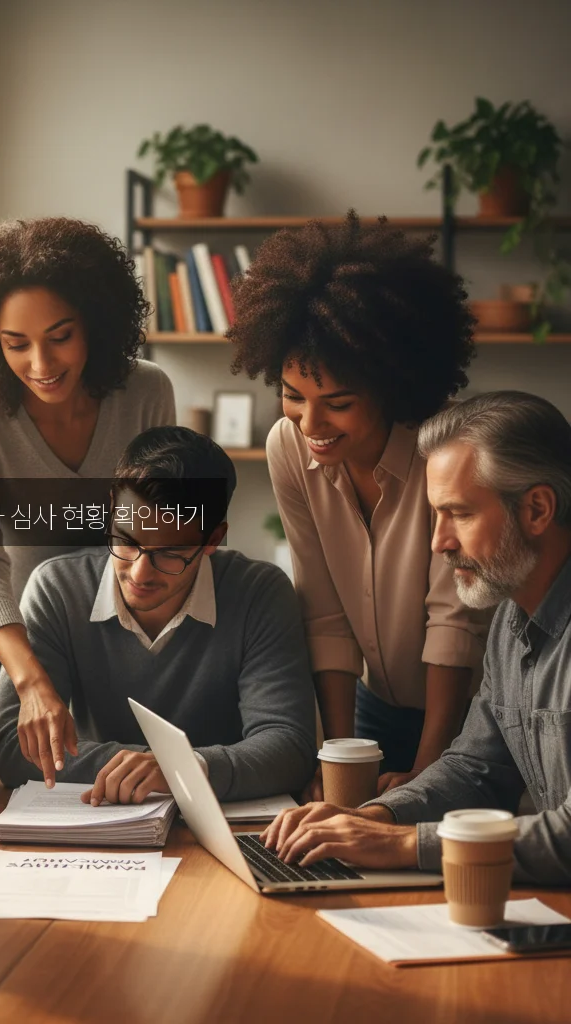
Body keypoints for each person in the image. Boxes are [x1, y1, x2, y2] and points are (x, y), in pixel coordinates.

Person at [230, 211, 491, 798]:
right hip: (374, 709)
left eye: (338, 402)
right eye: (293, 396)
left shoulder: (445, 452)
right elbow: (322, 608)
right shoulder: (287, 445)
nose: (311, 423)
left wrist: (430, 768)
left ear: (391, 385)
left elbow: (454, 620)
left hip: (466, 714)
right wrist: (338, 760)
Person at [262, 392, 571, 885]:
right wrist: (376, 817)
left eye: (460, 514)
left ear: (537, 509)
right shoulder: (510, 623)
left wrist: (405, 843)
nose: (439, 542)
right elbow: (476, 770)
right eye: (436, 515)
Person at [0, 216, 176, 781]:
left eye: (60, 337)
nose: (41, 365)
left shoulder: (146, 392)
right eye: (16, 345)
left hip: (97, 639)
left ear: (96, 323)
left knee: (105, 803)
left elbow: (150, 528)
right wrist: (31, 679)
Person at [0, 426, 316, 803]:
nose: (140, 573)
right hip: (101, 824)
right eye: (126, 541)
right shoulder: (57, 589)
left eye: (169, 553)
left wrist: (185, 768)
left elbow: (290, 748)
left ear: (213, 539)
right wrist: (160, 767)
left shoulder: (260, 593)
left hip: (221, 828)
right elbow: (15, 752)